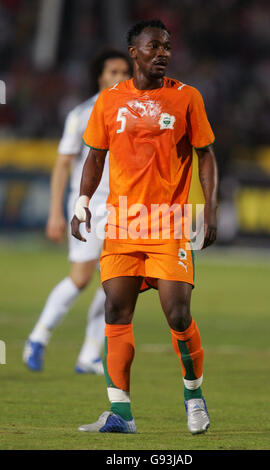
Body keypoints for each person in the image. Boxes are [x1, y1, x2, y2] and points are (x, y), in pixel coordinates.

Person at [71, 19, 218, 434]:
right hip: (121, 226)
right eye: (154, 46)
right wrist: (83, 204)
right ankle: (120, 413)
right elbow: (95, 157)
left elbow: (205, 154)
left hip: (168, 225)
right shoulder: (108, 101)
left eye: (167, 46)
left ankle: (194, 396)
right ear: (133, 52)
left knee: (178, 312)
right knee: (116, 311)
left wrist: (210, 208)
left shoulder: (187, 97)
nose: (163, 53)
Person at [23, 50, 132, 374]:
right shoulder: (82, 113)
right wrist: (56, 213)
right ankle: (39, 335)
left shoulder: (135, 112)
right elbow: (62, 164)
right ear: (100, 76)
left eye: (125, 71)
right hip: (89, 205)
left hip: (123, 207)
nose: (120, 77)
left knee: (115, 282)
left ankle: (89, 354)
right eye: (113, 71)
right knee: (81, 278)